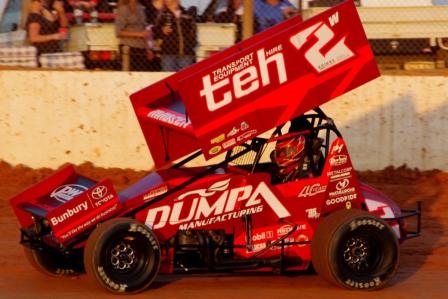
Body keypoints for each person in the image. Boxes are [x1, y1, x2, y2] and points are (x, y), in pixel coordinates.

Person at [271, 116, 323, 184]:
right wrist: (275, 133)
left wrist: (324, 116)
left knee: (307, 152)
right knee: (279, 145)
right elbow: (285, 120)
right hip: (296, 130)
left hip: (303, 130)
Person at [115, 0, 160, 71]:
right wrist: (139, 34)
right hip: (128, 47)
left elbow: (144, 29)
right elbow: (118, 32)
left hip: (141, 48)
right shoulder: (123, 9)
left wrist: (148, 49)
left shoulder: (140, 8)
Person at [154, 0, 197, 72]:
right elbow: (155, 32)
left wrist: (190, 45)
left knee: (184, 79)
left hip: (186, 53)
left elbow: (193, 31)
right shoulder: (162, 15)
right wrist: (162, 30)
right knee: (168, 78)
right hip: (168, 53)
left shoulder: (187, 14)